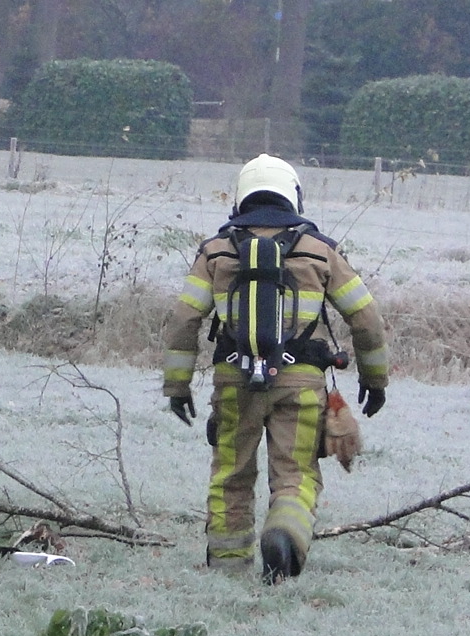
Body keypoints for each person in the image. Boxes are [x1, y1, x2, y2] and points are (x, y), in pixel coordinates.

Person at [162, 153, 389, 583]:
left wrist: (177, 386)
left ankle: (227, 573)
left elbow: (184, 320)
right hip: (301, 385)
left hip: (233, 382)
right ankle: (283, 535)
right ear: (293, 195)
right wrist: (375, 381)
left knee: (231, 474)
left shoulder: (215, 251)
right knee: (297, 473)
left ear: (242, 195)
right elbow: (366, 318)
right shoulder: (318, 251)